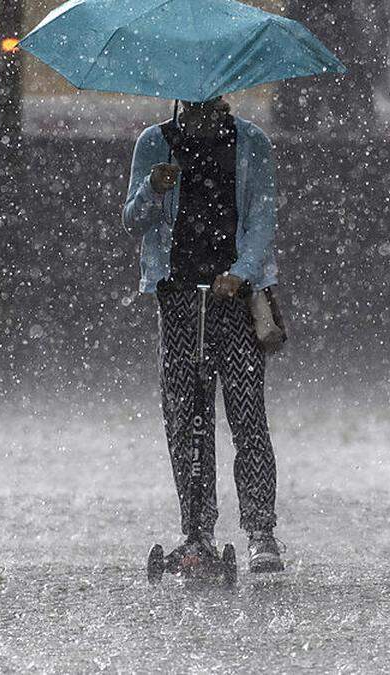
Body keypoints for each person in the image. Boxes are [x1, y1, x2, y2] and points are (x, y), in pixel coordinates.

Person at [122, 97, 284, 573]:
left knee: (246, 414)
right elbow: (133, 220)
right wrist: (153, 187)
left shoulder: (252, 143)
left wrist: (241, 272)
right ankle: (196, 530)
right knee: (185, 419)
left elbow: (260, 221)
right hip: (177, 299)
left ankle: (260, 531)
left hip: (233, 300)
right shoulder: (155, 144)